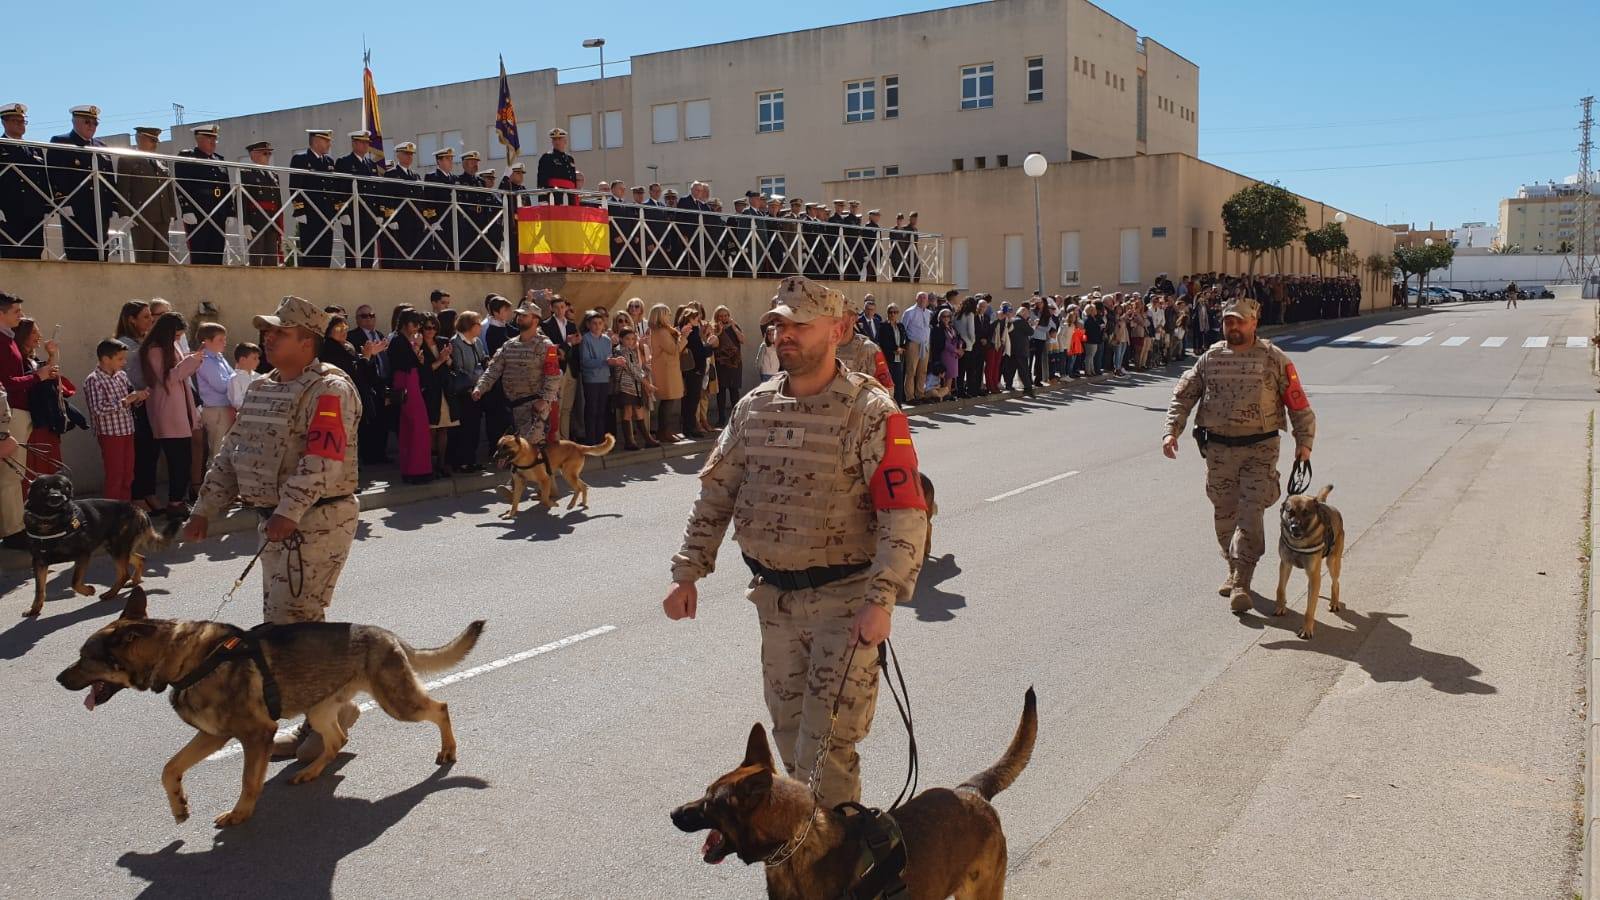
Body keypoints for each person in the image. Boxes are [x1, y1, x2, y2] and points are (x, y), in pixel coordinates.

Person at [663, 275, 928, 808]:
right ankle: (821, 852)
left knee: (826, 750)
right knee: (790, 743)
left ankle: (836, 869)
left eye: (798, 325)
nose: (784, 334)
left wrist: (883, 598)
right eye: (778, 324)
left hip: (846, 603)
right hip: (775, 603)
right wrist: (688, 571)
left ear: (839, 330)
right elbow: (719, 493)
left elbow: (903, 512)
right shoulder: (754, 409)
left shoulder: (871, 413)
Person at [183, 295, 363, 760]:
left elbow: (323, 459)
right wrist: (206, 508)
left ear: (307, 341)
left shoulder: (328, 389)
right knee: (294, 626)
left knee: (295, 628)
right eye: (267, 331)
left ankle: (324, 727)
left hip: (317, 521)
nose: (267, 337)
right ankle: (334, 711)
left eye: (278, 332)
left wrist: (289, 510)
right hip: (277, 524)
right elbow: (231, 453)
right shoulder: (263, 387)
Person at [1163, 296, 1316, 612]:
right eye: (1228, 321)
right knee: (1224, 513)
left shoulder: (1274, 358)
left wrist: (1305, 441)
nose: (1233, 326)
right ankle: (1233, 569)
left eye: (1239, 321)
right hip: (1218, 450)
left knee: (1250, 513)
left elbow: (1298, 403)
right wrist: (1171, 431)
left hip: (1260, 449)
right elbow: (1184, 395)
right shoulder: (1211, 358)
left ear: (1253, 323)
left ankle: (1242, 582)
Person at [0, 294, 59, 544]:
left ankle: (13, 526)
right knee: (11, 475)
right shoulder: (2, 341)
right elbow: (7, 383)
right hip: (10, 413)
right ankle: (13, 530)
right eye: (16, 311)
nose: (20, 316)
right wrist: (37, 376)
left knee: (13, 474)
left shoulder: (8, 339)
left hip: (17, 412)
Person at [470, 301, 562, 450]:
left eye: (524, 315)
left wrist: (544, 400)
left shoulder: (546, 346)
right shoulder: (509, 346)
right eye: (518, 315)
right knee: (518, 455)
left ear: (535, 320)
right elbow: (493, 369)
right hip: (512, 408)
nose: (519, 318)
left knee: (533, 451)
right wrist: (480, 388)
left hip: (535, 407)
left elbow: (553, 376)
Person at [140, 312, 203, 518]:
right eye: (176, 336)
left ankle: (177, 501)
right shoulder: (154, 350)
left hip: (180, 411)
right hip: (168, 412)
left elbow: (178, 371)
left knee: (183, 460)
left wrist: (192, 359)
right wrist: (191, 362)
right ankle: (175, 503)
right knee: (178, 460)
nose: (178, 340)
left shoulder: (170, 346)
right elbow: (168, 378)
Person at [48, 105, 116, 261]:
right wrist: (62, 202)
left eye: (95, 123)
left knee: (101, 255)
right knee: (79, 253)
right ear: (75, 122)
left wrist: (113, 204)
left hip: (101, 209)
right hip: (76, 209)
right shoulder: (61, 142)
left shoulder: (101, 146)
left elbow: (109, 177)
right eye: (87, 122)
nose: (92, 126)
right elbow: (56, 175)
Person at [83, 339, 146, 501]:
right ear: (105, 359)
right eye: (120, 359)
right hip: (110, 434)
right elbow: (98, 409)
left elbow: (130, 399)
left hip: (127, 430)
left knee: (128, 474)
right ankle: (111, 513)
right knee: (115, 475)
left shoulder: (121, 376)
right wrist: (126, 401)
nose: (124, 362)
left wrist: (139, 398)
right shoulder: (94, 379)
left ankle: (124, 511)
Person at [114, 126, 178, 264]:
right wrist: (125, 214)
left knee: (162, 259)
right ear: (139, 138)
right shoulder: (127, 160)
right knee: (144, 260)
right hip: (142, 217)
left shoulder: (162, 162)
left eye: (156, 140)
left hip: (163, 217)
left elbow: (169, 190)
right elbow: (123, 188)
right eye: (152, 140)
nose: (155, 144)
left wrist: (172, 213)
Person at [387, 309, 433, 484]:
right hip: (406, 382)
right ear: (406, 323)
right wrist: (417, 350)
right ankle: (417, 470)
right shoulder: (398, 340)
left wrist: (417, 354)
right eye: (415, 324)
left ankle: (414, 469)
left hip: (411, 381)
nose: (417, 328)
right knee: (417, 426)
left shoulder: (405, 340)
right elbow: (404, 364)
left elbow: (416, 363)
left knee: (412, 428)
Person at [174, 124, 229, 265]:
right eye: (209, 138)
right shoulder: (187, 157)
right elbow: (181, 185)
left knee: (217, 253)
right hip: (198, 211)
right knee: (199, 254)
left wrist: (230, 211)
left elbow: (226, 188)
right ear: (199, 139)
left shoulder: (220, 160)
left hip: (218, 212)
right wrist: (186, 209)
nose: (213, 142)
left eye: (215, 139)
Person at [0, 102, 48, 259]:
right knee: (11, 254)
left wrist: (46, 205)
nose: (21, 125)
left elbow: (43, 178)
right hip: (8, 211)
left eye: (23, 121)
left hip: (33, 211)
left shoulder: (34, 149)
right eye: (16, 121)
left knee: (34, 254)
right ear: (4, 122)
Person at [288, 129, 339, 268]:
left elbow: (332, 188)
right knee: (311, 253)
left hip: (327, 214)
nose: (329, 144)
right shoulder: (301, 159)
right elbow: (294, 186)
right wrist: (299, 210)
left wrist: (335, 211)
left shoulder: (329, 161)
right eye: (326, 141)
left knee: (325, 253)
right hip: (310, 214)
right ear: (316, 141)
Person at [334, 131, 382, 268]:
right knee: (352, 251)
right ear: (354, 143)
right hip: (353, 214)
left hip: (369, 214)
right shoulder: (344, 162)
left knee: (368, 251)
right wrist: (342, 212)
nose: (366, 145)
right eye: (363, 142)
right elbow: (339, 189)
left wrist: (378, 213)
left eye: (367, 143)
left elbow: (376, 191)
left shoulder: (371, 165)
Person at [447, 311, 487, 472]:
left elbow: (483, 357)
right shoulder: (455, 343)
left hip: (478, 390)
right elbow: (458, 367)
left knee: (475, 427)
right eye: (478, 324)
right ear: (469, 326)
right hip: (464, 392)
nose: (480, 327)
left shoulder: (477, 342)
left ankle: (471, 459)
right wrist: (473, 381)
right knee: (464, 428)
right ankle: (461, 461)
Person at [193, 322, 235, 463]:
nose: (224, 343)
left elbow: (232, 377)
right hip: (215, 410)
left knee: (225, 450)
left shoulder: (219, 358)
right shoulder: (205, 360)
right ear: (207, 341)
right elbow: (222, 385)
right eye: (220, 340)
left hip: (225, 407)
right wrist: (234, 381)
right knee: (217, 451)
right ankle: (212, 483)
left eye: (225, 339)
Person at [577, 311, 620, 446]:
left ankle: (600, 441)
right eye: (594, 323)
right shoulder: (585, 339)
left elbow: (608, 359)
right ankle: (590, 441)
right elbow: (585, 361)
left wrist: (613, 362)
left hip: (604, 378)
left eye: (600, 323)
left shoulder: (607, 340)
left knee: (602, 411)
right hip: (591, 379)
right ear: (588, 325)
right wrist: (605, 361)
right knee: (592, 410)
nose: (597, 326)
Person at [610, 326, 655, 451]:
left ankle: (647, 439)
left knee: (639, 412)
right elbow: (632, 369)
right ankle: (629, 441)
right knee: (628, 412)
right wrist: (647, 384)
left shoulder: (631, 351)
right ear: (621, 339)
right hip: (625, 386)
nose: (630, 341)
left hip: (635, 386)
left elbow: (637, 369)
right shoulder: (620, 351)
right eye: (627, 339)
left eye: (633, 339)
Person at [648, 303, 686, 443]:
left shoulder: (660, 330)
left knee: (668, 401)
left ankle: (664, 431)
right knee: (668, 401)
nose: (669, 317)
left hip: (667, 368)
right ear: (661, 316)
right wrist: (684, 337)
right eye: (667, 314)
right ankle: (664, 432)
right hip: (666, 370)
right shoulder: (661, 332)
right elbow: (673, 350)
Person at [239, 140, 281, 266]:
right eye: (265, 153)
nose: (268, 156)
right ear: (253, 155)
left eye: (269, 154)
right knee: (256, 259)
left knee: (272, 259)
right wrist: (244, 223)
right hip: (255, 221)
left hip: (271, 221)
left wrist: (279, 222)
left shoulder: (273, 175)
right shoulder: (246, 174)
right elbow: (241, 199)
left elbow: (278, 201)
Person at [709, 306, 744, 427]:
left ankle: (736, 419)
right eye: (721, 316)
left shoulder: (734, 326)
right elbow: (713, 343)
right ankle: (721, 419)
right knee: (721, 392)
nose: (724, 318)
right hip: (721, 364)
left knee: (734, 391)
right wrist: (719, 331)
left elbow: (742, 340)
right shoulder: (714, 328)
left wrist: (734, 327)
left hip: (734, 363)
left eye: (726, 315)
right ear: (717, 317)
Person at [900, 292, 931, 404]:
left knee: (923, 371)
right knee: (911, 370)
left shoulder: (928, 313)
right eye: (921, 297)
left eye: (925, 297)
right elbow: (903, 328)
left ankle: (920, 394)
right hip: (913, 344)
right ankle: (909, 396)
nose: (923, 299)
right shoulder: (909, 312)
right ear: (916, 299)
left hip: (925, 345)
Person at [537, 127, 578, 204]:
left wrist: (574, 196)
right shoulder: (547, 157)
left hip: (570, 195)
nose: (557, 141)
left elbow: (573, 180)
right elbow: (542, 179)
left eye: (559, 139)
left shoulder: (570, 159)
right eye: (554, 139)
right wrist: (543, 199)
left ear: (565, 141)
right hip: (555, 196)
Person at [227, 342, 263, 413]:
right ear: (242, 360)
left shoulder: (259, 376)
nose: (258, 361)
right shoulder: (235, 378)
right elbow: (237, 403)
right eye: (254, 358)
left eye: (258, 358)